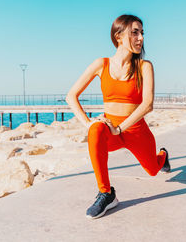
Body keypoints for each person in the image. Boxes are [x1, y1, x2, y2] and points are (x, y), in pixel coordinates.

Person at [66, 14, 170, 219]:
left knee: (152, 170)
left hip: (136, 131)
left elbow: (147, 104)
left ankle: (163, 156)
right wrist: (87, 123)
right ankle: (106, 194)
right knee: (96, 129)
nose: (141, 38)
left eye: (142, 33)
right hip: (111, 130)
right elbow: (71, 96)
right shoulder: (101, 64)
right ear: (118, 36)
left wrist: (120, 128)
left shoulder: (144, 66)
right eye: (135, 32)